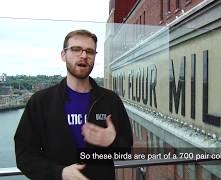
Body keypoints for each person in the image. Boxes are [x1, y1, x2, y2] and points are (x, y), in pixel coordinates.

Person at [14, 29, 133, 180]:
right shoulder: (41, 102)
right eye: (76, 49)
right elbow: (24, 156)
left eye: (90, 51)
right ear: (63, 55)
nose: (84, 56)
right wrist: (60, 173)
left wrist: (112, 142)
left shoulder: (111, 101)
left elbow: (126, 153)